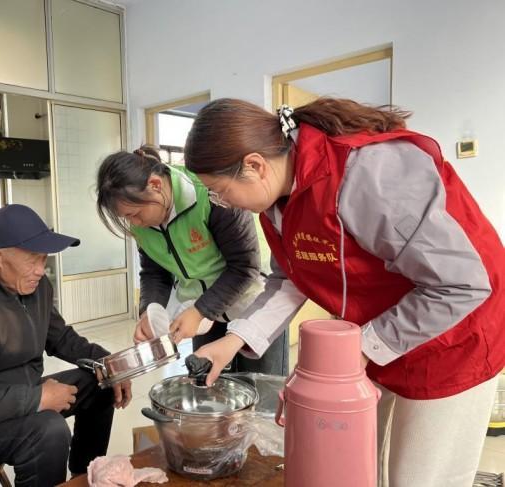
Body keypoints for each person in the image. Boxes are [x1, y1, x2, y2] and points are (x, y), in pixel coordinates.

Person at [182, 97, 505, 487]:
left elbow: (460, 283)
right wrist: (232, 340)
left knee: (421, 477)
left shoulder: (368, 174)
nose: (223, 203)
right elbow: (290, 279)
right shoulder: (276, 203)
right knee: (367, 466)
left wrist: (359, 350)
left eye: (220, 191)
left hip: (454, 338)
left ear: (254, 165)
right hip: (382, 330)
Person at [0, 204, 132, 487]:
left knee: (100, 381)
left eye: (44, 259)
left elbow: (61, 338)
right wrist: (37, 399)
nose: (41, 270)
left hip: (17, 397)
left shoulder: (36, 287)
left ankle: (83, 479)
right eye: (32, 260)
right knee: (49, 430)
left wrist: (109, 362)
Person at [96, 146, 287, 375]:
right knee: (209, 383)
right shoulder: (142, 225)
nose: (135, 224)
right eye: (127, 218)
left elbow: (244, 267)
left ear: (155, 185)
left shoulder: (209, 193)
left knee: (261, 383)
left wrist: (200, 311)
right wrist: (149, 310)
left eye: (134, 214)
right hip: (200, 313)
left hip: (253, 303)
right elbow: (154, 272)